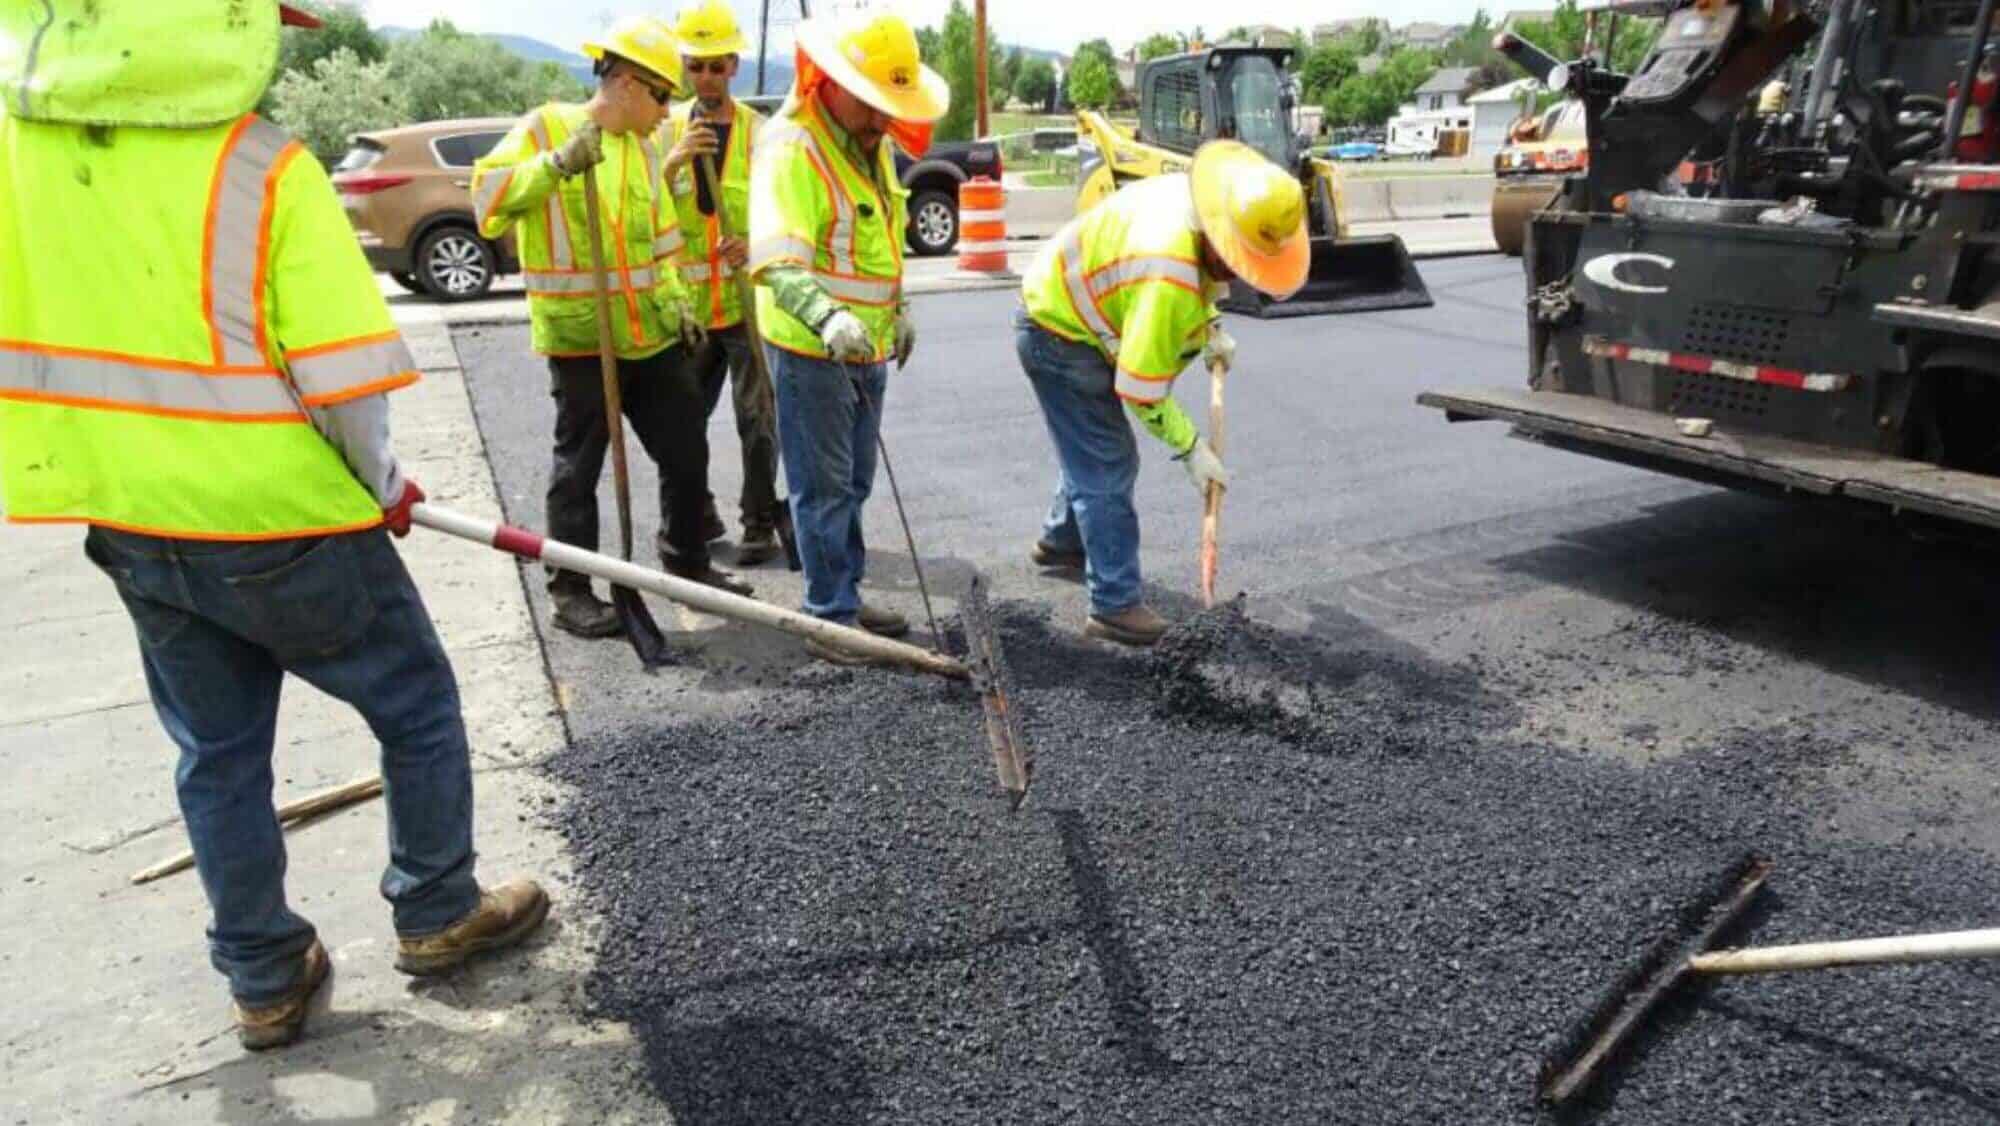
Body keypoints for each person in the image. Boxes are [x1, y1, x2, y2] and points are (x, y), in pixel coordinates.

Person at [0, 2, 547, 1051]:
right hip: (283, 518)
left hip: (131, 516)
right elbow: (342, 379)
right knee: (417, 704)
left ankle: (263, 975)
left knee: (216, 751)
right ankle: (438, 911)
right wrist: (380, 481)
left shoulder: (21, 156)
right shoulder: (258, 168)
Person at [471, 15, 751, 641]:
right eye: (662, 96)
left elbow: (661, 239)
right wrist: (556, 166)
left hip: (648, 336)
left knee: (686, 449)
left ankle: (686, 561)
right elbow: (486, 206)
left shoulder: (645, 150)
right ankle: (571, 590)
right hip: (581, 339)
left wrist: (679, 301)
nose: (667, 111)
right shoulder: (545, 128)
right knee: (579, 466)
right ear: (626, 84)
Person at [1014, 141, 1309, 646]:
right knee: (1108, 461)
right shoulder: (1168, 268)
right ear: (1221, 235)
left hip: (1075, 302)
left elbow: (1187, 292)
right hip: (1059, 332)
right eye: (1239, 259)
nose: (1241, 272)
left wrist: (1209, 325)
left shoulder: (1201, 202)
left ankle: (1061, 540)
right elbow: (1140, 388)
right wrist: (1192, 449)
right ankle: (1113, 604)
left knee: (1088, 445)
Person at [748, 10, 946, 662]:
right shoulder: (792, 147)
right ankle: (828, 616)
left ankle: (846, 591)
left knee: (854, 482)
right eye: (874, 102)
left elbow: (877, 239)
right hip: (813, 350)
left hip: (868, 346)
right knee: (823, 487)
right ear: (834, 82)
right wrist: (829, 317)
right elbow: (777, 259)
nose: (885, 116)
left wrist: (900, 307)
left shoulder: (869, 144)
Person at [661, 0, 785, 566]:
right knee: (682, 427)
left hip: (745, 304)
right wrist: (671, 164)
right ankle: (695, 516)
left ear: (734, 65)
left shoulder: (764, 135)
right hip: (689, 311)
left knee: (758, 421)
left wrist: (753, 243)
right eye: (696, 65)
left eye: (717, 65)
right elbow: (643, 215)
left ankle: (759, 521)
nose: (706, 77)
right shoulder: (664, 132)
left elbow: (784, 212)